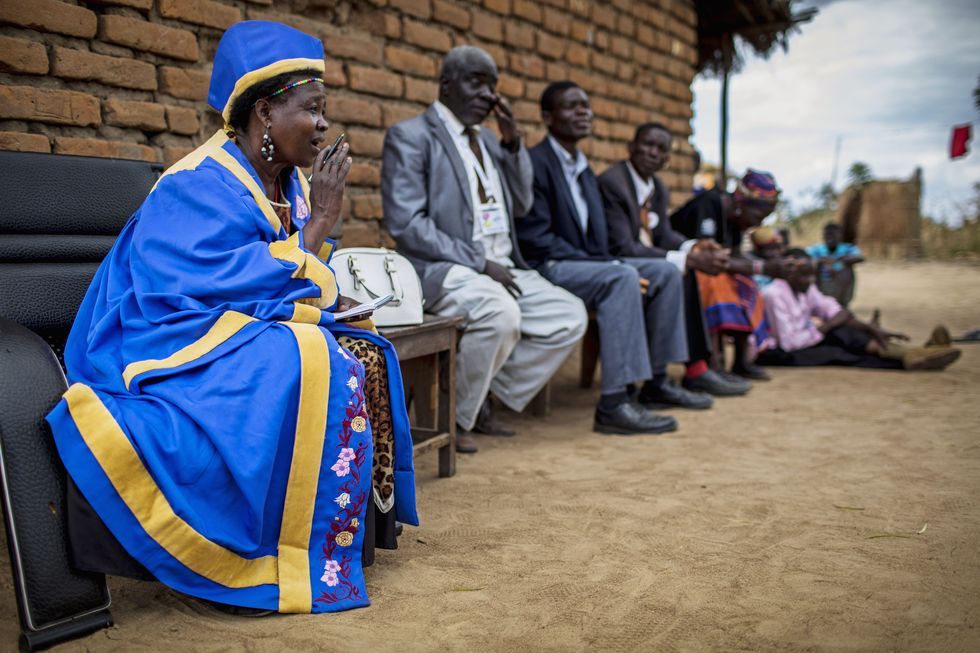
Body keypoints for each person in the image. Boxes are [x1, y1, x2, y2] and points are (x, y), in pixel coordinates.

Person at [45, 21, 418, 615]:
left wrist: (326, 299)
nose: (323, 125)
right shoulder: (198, 184)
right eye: (312, 110)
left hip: (219, 318)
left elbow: (276, 279)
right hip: (160, 332)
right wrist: (320, 223)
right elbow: (204, 283)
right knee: (304, 357)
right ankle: (257, 549)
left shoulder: (286, 181)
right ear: (266, 112)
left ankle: (335, 534)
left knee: (361, 343)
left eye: (325, 111)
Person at [381, 47, 587, 454]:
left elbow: (523, 204)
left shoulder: (491, 142)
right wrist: (478, 261)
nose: (488, 94)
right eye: (476, 82)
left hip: (503, 267)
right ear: (445, 84)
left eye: (492, 85)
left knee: (569, 317)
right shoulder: (412, 136)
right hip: (445, 267)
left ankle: (479, 394)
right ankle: (456, 417)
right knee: (501, 314)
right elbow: (405, 223)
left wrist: (513, 145)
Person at [517, 81, 713, 436]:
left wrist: (607, 262)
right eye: (571, 106)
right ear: (547, 117)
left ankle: (655, 380)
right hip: (548, 266)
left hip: (585, 263)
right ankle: (613, 403)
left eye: (586, 106)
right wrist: (608, 265)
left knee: (667, 271)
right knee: (621, 278)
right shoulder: (535, 163)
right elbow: (536, 240)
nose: (583, 113)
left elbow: (602, 240)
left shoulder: (584, 169)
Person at [598, 122, 749, 397]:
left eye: (661, 149)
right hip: (615, 262)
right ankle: (665, 379)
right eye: (647, 144)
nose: (652, 153)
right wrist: (686, 259)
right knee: (676, 270)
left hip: (644, 261)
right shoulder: (614, 182)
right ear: (631, 147)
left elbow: (663, 233)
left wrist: (694, 246)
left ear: (667, 159)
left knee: (685, 270)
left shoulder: (657, 187)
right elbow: (622, 246)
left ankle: (697, 368)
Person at [670, 169, 788, 381]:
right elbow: (705, 257)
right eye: (759, 216)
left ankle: (741, 362)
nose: (759, 223)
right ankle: (712, 362)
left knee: (747, 284)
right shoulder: (708, 205)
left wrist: (766, 266)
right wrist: (763, 268)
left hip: (704, 270)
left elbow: (735, 259)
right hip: (679, 270)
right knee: (715, 283)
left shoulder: (735, 221)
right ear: (742, 204)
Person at [758, 249, 961, 370]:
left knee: (845, 332)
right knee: (838, 352)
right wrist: (826, 327)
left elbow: (835, 311)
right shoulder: (774, 294)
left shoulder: (804, 288)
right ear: (789, 274)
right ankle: (909, 358)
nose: (811, 281)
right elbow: (789, 343)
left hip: (805, 338)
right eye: (806, 275)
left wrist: (867, 328)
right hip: (779, 352)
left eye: (812, 275)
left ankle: (914, 353)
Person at [806, 222, 864, 307]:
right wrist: (820, 261)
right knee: (815, 265)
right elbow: (804, 256)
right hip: (822, 283)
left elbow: (860, 258)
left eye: (832, 235)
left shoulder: (847, 248)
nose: (829, 238)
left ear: (840, 236)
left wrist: (842, 260)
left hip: (841, 283)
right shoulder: (817, 249)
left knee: (847, 267)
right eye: (827, 235)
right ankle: (819, 300)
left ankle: (842, 302)